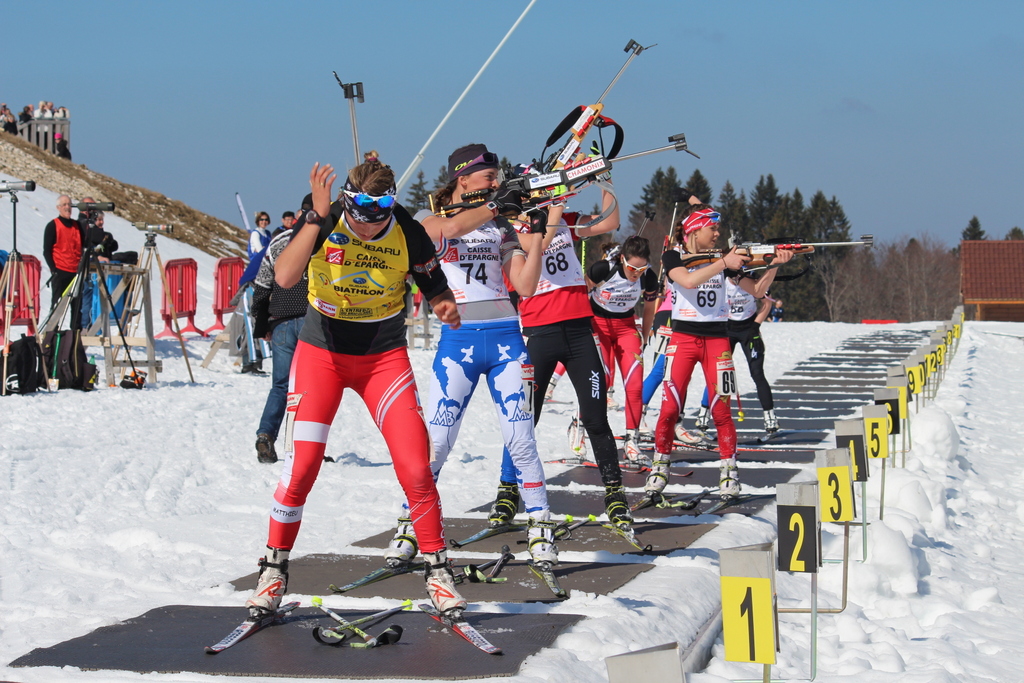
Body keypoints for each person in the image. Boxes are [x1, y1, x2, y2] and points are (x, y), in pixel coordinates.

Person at [245, 154, 468, 620]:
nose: (367, 228)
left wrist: (445, 306)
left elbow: (436, 288)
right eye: (359, 217)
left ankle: (438, 570)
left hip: (382, 361)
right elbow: (284, 277)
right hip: (321, 356)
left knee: (416, 468)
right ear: (347, 203)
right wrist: (314, 218)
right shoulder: (325, 219)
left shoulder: (406, 230)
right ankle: (273, 569)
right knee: (302, 467)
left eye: (378, 218)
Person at [383, 143, 556, 567]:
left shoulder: (500, 225)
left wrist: (536, 237)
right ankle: (409, 524)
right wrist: (496, 204)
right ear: (463, 179)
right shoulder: (430, 217)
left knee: (521, 439)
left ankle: (540, 526)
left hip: (506, 341)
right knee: (438, 442)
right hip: (458, 343)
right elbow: (447, 231)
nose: (496, 183)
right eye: (489, 177)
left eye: (498, 178)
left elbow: (525, 285)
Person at [498, 168, 635, 531]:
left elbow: (610, 221)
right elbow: (538, 245)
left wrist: (604, 180)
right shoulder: (512, 228)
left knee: (596, 417)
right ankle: (507, 489)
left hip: (578, 333)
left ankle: (615, 493)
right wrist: (555, 207)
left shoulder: (564, 220)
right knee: (526, 419)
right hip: (539, 335)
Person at [643, 205, 793, 503]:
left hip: (717, 341)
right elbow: (687, 281)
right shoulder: (673, 256)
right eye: (712, 228)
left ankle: (729, 471)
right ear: (694, 230)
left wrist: (774, 265)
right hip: (683, 339)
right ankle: (660, 465)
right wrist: (724, 262)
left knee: (721, 410)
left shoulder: (723, 259)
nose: (717, 234)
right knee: (670, 408)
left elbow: (756, 291)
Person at [586, 234, 658, 463]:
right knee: (601, 382)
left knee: (635, 384)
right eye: (632, 268)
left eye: (641, 268)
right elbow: (581, 294)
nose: (636, 273)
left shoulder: (649, 277)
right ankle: (580, 425)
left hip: (626, 327)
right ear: (622, 259)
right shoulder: (603, 269)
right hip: (598, 325)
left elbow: (649, 309)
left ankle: (632, 440)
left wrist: (644, 336)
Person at [694, 269, 786, 439]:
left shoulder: (752, 281)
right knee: (717, 373)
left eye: (740, 276)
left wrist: (755, 327)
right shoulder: (721, 281)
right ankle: (703, 417)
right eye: (734, 277)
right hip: (726, 329)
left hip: (748, 329)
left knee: (757, 373)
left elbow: (767, 304)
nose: (737, 280)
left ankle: (771, 419)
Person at [250, 202, 310, 464]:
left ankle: (266, 433)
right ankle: (306, 446)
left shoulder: (278, 241)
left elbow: (262, 285)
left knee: (280, 385)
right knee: (311, 387)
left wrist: (262, 324)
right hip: (313, 322)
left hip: (281, 321)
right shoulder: (326, 240)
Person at [235, 211, 273, 374]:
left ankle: (257, 361)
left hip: (262, 277)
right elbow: (259, 251)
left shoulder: (268, 234)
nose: (264, 222)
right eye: (261, 219)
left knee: (258, 321)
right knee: (249, 324)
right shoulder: (256, 234)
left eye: (266, 219)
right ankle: (248, 362)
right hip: (254, 280)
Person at [42, 195, 83, 310]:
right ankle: (53, 322)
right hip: (60, 271)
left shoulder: (77, 225)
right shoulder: (53, 225)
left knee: (77, 306)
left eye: (69, 204)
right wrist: (53, 269)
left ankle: (75, 323)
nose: (67, 207)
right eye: (64, 204)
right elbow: (46, 250)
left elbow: (83, 245)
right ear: (58, 207)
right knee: (57, 306)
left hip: (75, 271)